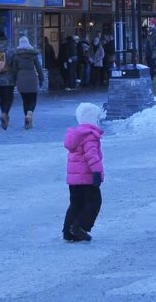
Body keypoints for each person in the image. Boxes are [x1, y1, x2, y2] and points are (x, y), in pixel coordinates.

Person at [62, 102, 105, 242]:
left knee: (76, 203)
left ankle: (68, 232)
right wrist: (97, 173)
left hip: (74, 180)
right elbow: (92, 156)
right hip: (87, 177)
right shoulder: (90, 135)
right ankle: (80, 226)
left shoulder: (76, 135)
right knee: (94, 202)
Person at [13, 36, 47, 130]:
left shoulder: (17, 55)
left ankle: (27, 119)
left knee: (25, 100)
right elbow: (39, 68)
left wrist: (14, 81)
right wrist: (41, 79)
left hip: (21, 79)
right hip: (31, 78)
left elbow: (14, 70)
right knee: (33, 99)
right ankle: (29, 114)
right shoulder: (33, 55)